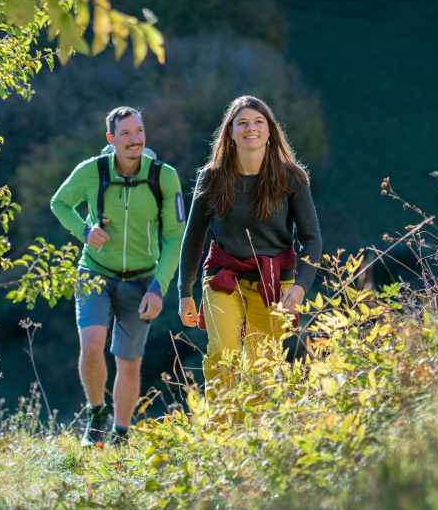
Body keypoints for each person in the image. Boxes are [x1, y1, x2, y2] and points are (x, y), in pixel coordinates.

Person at [50, 107, 186, 445]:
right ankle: (96, 413)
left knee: (128, 361)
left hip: (142, 279)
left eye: (138, 131)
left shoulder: (164, 177)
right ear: (110, 140)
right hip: (95, 272)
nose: (134, 139)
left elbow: (173, 237)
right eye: (125, 133)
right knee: (92, 345)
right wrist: (84, 231)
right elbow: (59, 203)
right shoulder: (93, 171)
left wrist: (158, 288)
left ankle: (120, 434)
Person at [177, 95, 323, 399]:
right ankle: (221, 435)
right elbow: (194, 238)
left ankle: (254, 438)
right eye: (242, 123)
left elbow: (312, 239)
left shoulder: (291, 178)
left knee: (263, 364)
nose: (250, 129)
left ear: (270, 131)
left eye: (258, 122)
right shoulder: (212, 178)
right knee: (222, 355)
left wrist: (298, 288)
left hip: (274, 283)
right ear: (230, 132)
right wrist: (185, 292)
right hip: (222, 277)